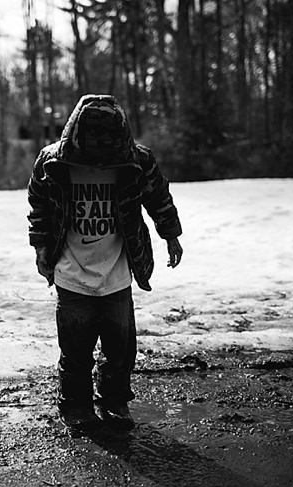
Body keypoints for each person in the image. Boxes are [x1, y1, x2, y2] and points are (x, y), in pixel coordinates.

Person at [27, 94, 183, 431]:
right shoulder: (53, 163)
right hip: (71, 272)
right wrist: (40, 246)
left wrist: (171, 234)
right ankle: (76, 407)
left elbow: (158, 196)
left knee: (120, 348)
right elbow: (38, 204)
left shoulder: (137, 161)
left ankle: (113, 402)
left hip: (117, 271)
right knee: (75, 349)